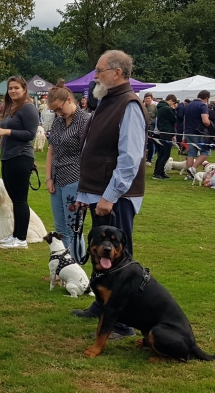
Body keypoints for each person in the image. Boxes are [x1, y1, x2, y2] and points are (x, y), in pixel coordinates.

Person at [69, 50, 145, 342]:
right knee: (99, 253)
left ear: (117, 72)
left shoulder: (129, 104)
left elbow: (129, 159)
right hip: (98, 193)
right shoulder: (107, 101)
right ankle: (102, 305)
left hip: (116, 196)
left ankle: (123, 322)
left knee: (119, 258)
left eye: (99, 70)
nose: (95, 75)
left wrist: (110, 195)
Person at [0, 76, 39, 249]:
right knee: (14, 199)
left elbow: (30, 134)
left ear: (24, 89)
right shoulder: (12, 107)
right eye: (10, 88)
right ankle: (15, 235)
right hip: (8, 156)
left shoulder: (28, 108)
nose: (12, 91)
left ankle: (21, 238)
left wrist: (6, 131)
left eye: (16, 88)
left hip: (20, 157)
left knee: (20, 200)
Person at [45, 84, 90, 251]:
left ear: (69, 100)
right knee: (61, 228)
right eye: (55, 111)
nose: (58, 113)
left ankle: (76, 269)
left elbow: (89, 154)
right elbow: (51, 151)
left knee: (74, 228)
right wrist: (48, 178)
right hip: (57, 179)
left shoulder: (85, 121)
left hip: (75, 179)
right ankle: (63, 269)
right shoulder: (58, 122)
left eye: (59, 109)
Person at [183, 90, 213, 178]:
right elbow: (205, 121)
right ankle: (193, 168)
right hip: (199, 132)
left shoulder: (189, 105)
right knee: (206, 151)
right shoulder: (203, 105)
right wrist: (212, 125)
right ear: (207, 98)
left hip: (188, 132)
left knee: (191, 153)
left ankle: (189, 175)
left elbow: (185, 120)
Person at [152, 94, 178, 180]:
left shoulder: (159, 107)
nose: (172, 105)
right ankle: (158, 172)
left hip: (162, 131)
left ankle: (159, 171)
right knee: (165, 154)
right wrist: (174, 110)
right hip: (167, 132)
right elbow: (174, 120)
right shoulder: (167, 108)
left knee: (162, 153)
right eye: (173, 103)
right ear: (170, 100)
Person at [142, 93, 157, 164]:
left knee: (151, 143)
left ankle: (150, 159)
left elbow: (156, 117)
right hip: (143, 126)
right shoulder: (142, 106)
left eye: (149, 98)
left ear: (151, 99)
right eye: (146, 98)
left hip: (151, 127)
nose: (147, 100)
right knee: (143, 143)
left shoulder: (154, 107)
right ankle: (143, 158)